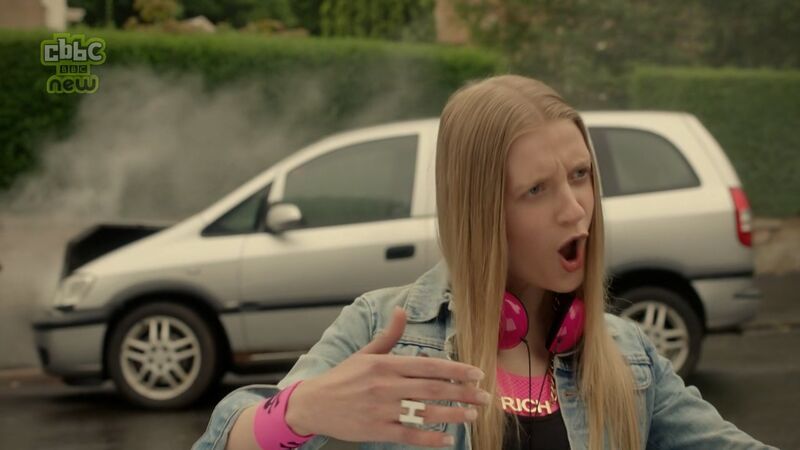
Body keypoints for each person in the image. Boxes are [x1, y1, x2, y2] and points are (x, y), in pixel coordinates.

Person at [193, 75, 776, 450]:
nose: (576, 210)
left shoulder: (627, 354)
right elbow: (222, 438)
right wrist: (301, 411)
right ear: (480, 210)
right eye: (536, 190)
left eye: (580, 175)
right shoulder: (385, 330)